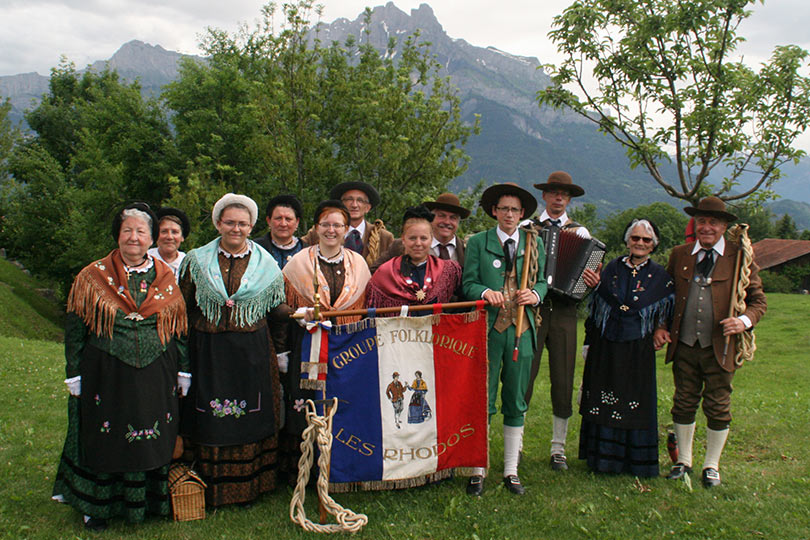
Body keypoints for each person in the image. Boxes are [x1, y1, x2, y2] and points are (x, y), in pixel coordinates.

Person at [52, 202, 188, 532]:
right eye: (127, 230)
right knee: (106, 439)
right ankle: (95, 506)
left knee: (150, 438)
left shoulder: (166, 277)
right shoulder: (92, 276)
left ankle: (150, 503)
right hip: (106, 374)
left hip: (156, 372)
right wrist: (74, 373)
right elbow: (75, 328)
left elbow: (178, 328)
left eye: (141, 231)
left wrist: (184, 370)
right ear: (117, 235)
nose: (133, 237)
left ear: (151, 238)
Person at [179, 193, 287, 507]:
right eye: (230, 222)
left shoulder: (266, 264)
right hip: (207, 350)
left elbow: (274, 308)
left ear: (252, 226)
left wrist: (297, 314)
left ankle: (249, 487)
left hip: (252, 352)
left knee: (248, 417)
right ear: (218, 223)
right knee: (209, 417)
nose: (236, 229)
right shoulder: (196, 261)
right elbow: (183, 307)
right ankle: (207, 484)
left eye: (242, 223)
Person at [655, 196, 766, 488]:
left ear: (723, 226)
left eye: (713, 222)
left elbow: (758, 302)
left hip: (721, 346)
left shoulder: (740, 256)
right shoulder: (680, 254)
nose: (707, 227)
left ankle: (711, 465)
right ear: (695, 224)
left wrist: (742, 321)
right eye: (702, 221)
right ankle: (684, 461)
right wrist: (662, 327)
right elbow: (665, 298)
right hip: (685, 344)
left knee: (718, 404)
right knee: (683, 401)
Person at [462, 182, 547, 496]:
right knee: (482, 399)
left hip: (522, 330)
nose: (509, 214)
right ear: (494, 212)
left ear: (522, 213)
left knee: (515, 399)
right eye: (503, 209)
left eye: (515, 210)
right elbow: (468, 283)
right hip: (487, 331)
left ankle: (511, 470)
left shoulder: (533, 243)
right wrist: (485, 292)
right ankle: (477, 469)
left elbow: (542, 281)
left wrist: (535, 294)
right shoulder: (478, 242)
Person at [280, 200, 372, 483]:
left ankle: (343, 465)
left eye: (337, 225)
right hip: (307, 347)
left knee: (342, 405)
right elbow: (280, 306)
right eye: (326, 225)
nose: (331, 230)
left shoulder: (358, 263)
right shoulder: (297, 263)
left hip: (346, 349)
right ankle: (305, 471)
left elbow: (366, 307)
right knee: (307, 405)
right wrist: (299, 315)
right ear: (316, 228)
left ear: (346, 230)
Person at [578, 219, 674, 477]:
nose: (640, 243)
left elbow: (666, 309)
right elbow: (596, 307)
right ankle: (603, 460)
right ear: (627, 241)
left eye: (645, 240)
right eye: (635, 238)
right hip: (605, 345)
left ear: (653, 245)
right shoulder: (611, 268)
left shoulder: (661, 277)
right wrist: (588, 341)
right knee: (603, 398)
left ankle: (635, 462)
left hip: (637, 349)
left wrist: (661, 328)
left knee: (634, 401)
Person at [523, 171, 600, 471]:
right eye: (554, 192)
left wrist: (588, 281)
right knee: (524, 376)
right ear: (545, 196)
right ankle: (516, 443)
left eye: (564, 194)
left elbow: (587, 275)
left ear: (569, 199)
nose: (558, 198)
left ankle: (558, 448)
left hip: (566, 311)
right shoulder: (528, 228)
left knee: (563, 376)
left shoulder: (581, 233)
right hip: (533, 310)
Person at [366, 205, 462, 309]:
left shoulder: (448, 271)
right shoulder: (385, 273)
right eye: (412, 238)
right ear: (403, 239)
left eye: (424, 238)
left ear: (431, 239)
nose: (418, 243)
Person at [370, 193, 469, 272]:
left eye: (453, 218)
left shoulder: (467, 250)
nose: (447, 222)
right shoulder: (400, 246)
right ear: (432, 218)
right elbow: (375, 272)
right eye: (441, 216)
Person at [303, 181, 394, 267]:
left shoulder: (383, 237)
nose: (354, 205)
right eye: (349, 199)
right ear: (341, 204)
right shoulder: (321, 232)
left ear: (367, 207)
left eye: (360, 200)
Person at [254, 194, 306, 269]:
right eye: (278, 218)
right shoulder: (255, 248)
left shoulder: (306, 252)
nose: (283, 224)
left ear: (297, 222)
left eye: (288, 219)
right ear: (268, 220)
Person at [147, 206, 190, 280]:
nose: (169, 237)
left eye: (175, 232)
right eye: (164, 231)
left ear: (182, 237)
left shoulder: (188, 264)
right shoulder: (145, 260)